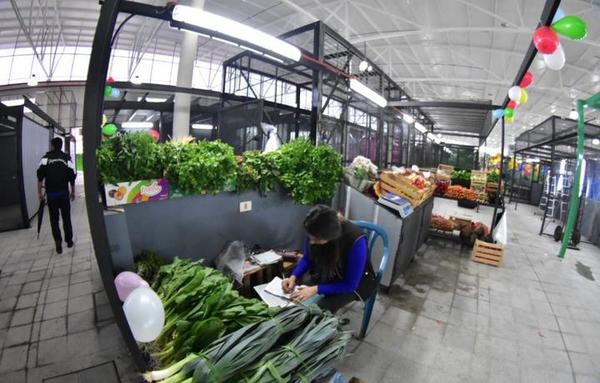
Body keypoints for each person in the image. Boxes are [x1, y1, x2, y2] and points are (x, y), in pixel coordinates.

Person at [282, 205, 376, 313]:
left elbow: (350, 285)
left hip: (352, 284)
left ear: (331, 237)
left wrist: (315, 289)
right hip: (328, 272)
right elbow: (308, 258)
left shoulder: (356, 241)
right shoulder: (314, 229)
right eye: (310, 237)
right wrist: (293, 277)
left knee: (319, 308)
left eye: (316, 239)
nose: (311, 242)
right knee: (296, 296)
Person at [37, 137, 76, 254]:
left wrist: (39, 193)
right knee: (66, 218)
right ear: (61, 145)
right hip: (63, 193)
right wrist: (72, 191)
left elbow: (39, 177)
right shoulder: (66, 158)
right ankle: (69, 241)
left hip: (51, 195)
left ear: (52, 146)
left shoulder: (45, 158)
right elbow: (72, 176)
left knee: (54, 220)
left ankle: (58, 244)